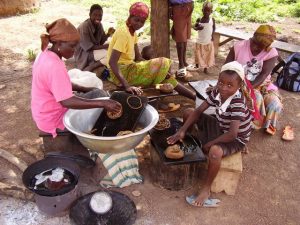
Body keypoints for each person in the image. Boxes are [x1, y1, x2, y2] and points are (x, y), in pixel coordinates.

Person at [167, 61, 253, 207]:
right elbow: (199, 110)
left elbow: (232, 134)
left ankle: (206, 189)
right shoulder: (218, 91)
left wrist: (210, 144)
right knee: (188, 112)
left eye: (229, 85)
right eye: (221, 82)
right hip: (220, 126)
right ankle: (188, 145)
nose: (224, 88)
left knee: (214, 152)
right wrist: (181, 131)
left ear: (239, 86)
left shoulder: (237, 102)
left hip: (236, 138)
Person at [31, 18, 121, 138]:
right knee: (100, 101)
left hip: (43, 112)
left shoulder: (45, 53)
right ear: (58, 44)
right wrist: (102, 103)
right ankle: (100, 137)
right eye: (72, 46)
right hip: (54, 118)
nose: (74, 51)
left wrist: (86, 89)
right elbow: (67, 101)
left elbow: (59, 84)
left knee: (97, 92)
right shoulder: (54, 65)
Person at [107, 2, 196, 100]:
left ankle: (194, 97)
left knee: (164, 74)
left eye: (142, 22)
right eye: (136, 20)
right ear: (130, 16)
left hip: (129, 68)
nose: (139, 24)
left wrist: (159, 69)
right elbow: (112, 62)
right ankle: (192, 97)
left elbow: (138, 57)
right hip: (122, 73)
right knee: (163, 61)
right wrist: (127, 86)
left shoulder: (132, 32)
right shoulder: (123, 33)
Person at [225, 24, 283, 135]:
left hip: (263, 85)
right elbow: (226, 68)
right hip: (239, 83)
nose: (256, 48)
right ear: (253, 37)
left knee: (275, 104)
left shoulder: (271, 52)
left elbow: (264, 74)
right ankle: (247, 126)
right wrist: (236, 86)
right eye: (255, 43)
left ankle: (268, 125)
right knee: (255, 98)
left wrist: (248, 88)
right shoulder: (239, 46)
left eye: (261, 47)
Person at [74, 4, 115, 72]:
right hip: (84, 53)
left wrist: (108, 34)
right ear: (90, 14)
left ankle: (99, 63)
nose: (98, 17)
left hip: (93, 50)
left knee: (112, 51)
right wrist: (107, 46)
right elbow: (88, 47)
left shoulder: (99, 25)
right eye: (95, 15)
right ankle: (91, 67)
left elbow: (101, 41)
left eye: (100, 15)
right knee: (111, 55)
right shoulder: (84, 26)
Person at [188, 1, 215, 74]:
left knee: (207, 55)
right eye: (205, 10)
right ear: (202, 10)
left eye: (208, 11)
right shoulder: (199, 19)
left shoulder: (212, 20)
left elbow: (214, 28)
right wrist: (197, 28)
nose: (206, 12)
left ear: (211, 11)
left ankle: (205, 68)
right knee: (198, 54)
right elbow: (194, 27)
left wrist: (212, 36)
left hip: (208, 41)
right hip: (200, 41)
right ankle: (197, 66)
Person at [169, 0, 194, 78]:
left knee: (185, 36)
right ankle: (181, 64)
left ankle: (184, 61)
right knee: (180, 37)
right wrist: (169, 7)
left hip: (189, 5)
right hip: (178, 7)